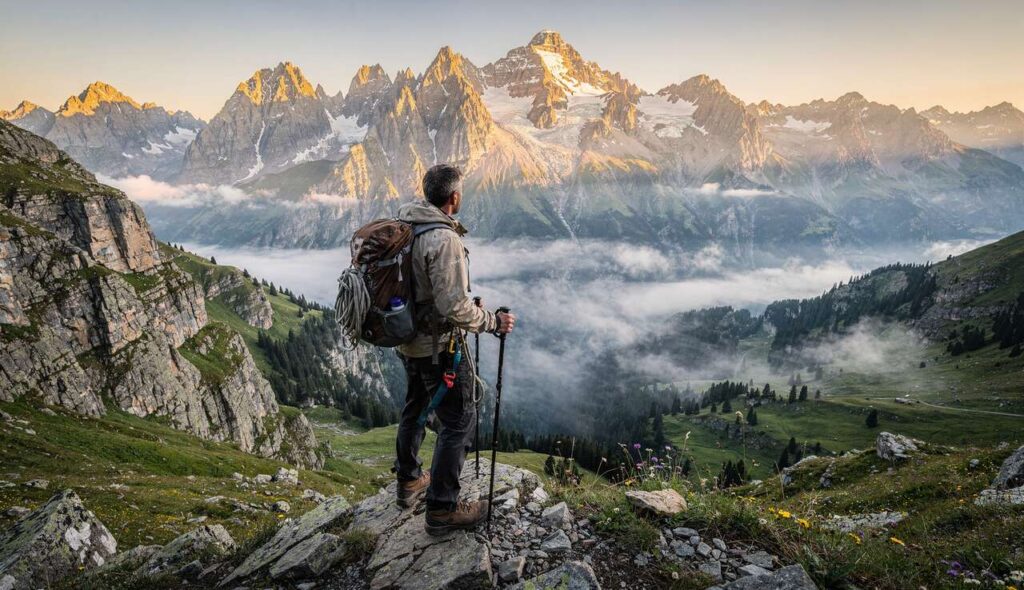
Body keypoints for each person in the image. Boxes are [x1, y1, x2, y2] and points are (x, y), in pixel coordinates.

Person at [393, 164, 516, 535]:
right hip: (438, 348)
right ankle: (443, 508)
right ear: (454, 197)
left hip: (407, 340)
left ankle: (410, 480)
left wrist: (461, 302)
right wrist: (492, 321)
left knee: (414, 408)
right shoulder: (442, 239)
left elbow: (432, 292)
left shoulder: (406, 224)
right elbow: (454, 308)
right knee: (459, 421)